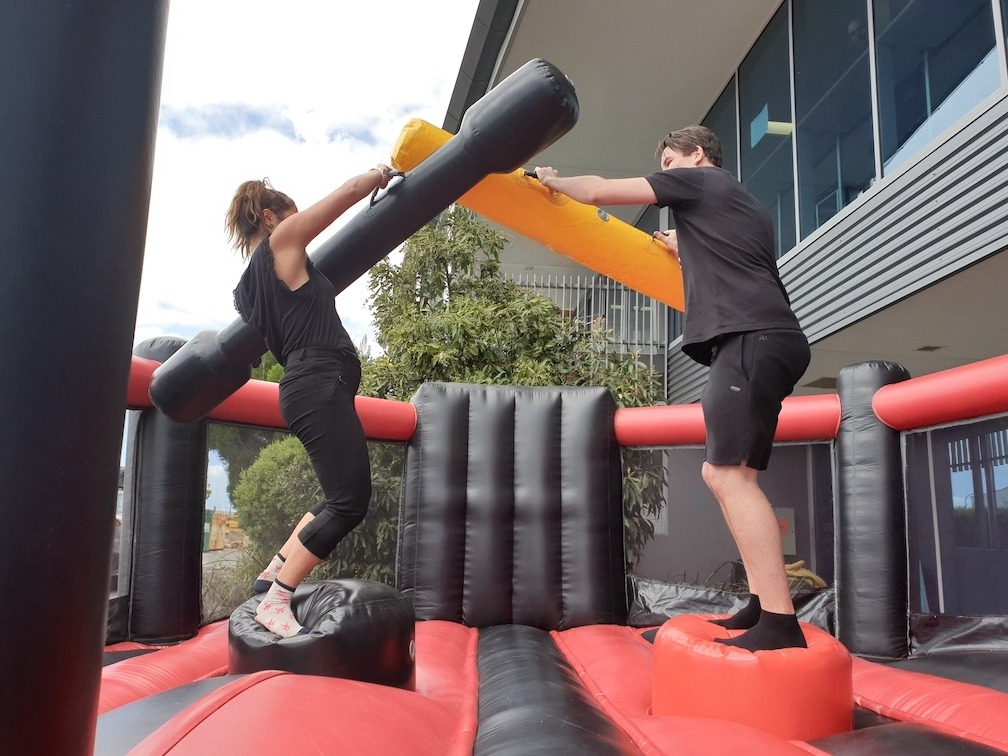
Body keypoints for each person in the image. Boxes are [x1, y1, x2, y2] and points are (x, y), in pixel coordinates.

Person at [534, 125, 811, 652]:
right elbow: (722, 259)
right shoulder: (738, 201)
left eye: (668, 159)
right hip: (769, 338)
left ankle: (779, 621)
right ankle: (760, 604)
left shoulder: (700, 183)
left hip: (751, 339)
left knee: (729, 476)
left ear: (697, 154)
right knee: (727, 472)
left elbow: (598, 192)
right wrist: (680, 248)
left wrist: (553, 181)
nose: (664, 171)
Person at [225, 166, 392, 637]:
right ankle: (277, 598)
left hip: (307, 387)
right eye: (291, 219)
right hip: (317, 383)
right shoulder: (281, 243)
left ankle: (271, 572)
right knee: (350, 502)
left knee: (335, 496)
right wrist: (379, 175)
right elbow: (345, 196)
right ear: (269, 216)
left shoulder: (246, 291)